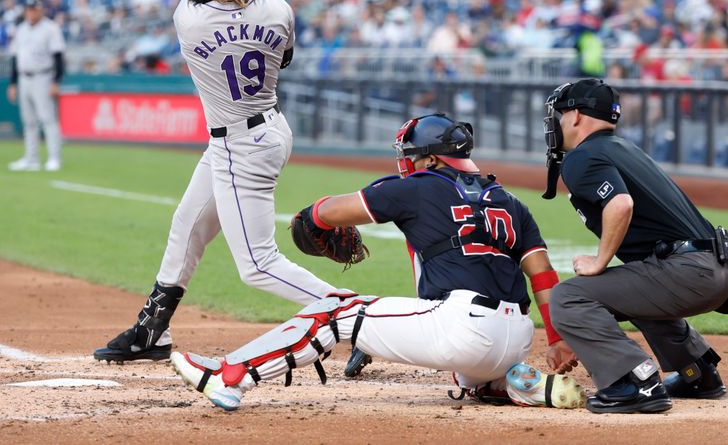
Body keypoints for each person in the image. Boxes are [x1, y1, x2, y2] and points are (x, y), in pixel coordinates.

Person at [169, 113, 585, 411]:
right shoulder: (511, 202)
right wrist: (555, 338)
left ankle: (230, 377)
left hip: (463, 328)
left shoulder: (420, 186)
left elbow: (323, 214)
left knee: (337, 310)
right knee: (468, 368)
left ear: (431, 159)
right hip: (515, 338)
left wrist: (310, 219)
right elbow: (542, 275)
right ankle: (508, 384)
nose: (405, 162)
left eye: (411, 155)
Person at [93, 0, 341, 364]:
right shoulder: (280, 10)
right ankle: (151, 331)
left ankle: (359, 315)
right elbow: (283, 58)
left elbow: (220, 6)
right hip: (265, 129)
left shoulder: (188, 18)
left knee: (258, 265)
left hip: (242, 146)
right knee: (187, 227)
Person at [540, 78, 728, 414]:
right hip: (717, 268)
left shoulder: (582, 156)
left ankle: (635, 382)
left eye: (560, 115)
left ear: (576, 116)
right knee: (636, 285)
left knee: (569, 296)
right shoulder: (623, 149)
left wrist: (599, 261)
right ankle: (698, 373)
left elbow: (620, 204)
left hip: (688, 270)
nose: (557, 123)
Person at [7, 0, 66, 172]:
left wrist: (56, 81)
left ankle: (54, 158)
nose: (32, 12)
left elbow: (58, 58)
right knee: (29, 121)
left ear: (41, 10)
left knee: (48, 119)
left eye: (35, 9)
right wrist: (13, 83)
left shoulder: (50, 28)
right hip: (24, 77)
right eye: (29, 9)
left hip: (43, 77)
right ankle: (31, 159)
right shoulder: (21, 29)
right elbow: (15, 58)